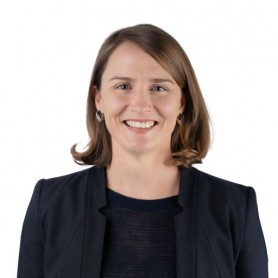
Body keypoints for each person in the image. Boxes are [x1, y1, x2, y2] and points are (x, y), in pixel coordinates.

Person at [17, 24, 268, 278]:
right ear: (98, 98)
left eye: (159, 88)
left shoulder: (234, 207)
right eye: (123, 86)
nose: (140, 105)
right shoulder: (49, 204)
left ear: (182, 102)